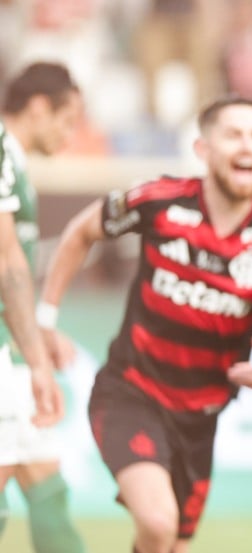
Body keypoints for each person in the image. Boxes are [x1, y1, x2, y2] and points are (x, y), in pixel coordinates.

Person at [38, 96, 252, 553]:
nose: (247, 146)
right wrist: (46, 319)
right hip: (131, 392)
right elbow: (79, 233)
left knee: (173, 545)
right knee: (158, 523)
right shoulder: (159, 200)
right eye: (233, 135)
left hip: (201, 419)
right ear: (203, 149)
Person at [0, 61, 79, 552]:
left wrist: (35, 335)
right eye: (67, 120)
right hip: (8, 353)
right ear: (38, 107)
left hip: (12, 344)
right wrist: (36, 363)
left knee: (44, 479)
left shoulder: (15, 161)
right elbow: (8, 265)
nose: (69, 135)